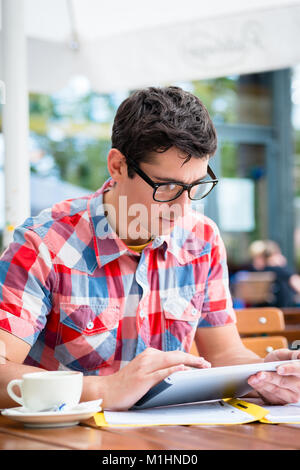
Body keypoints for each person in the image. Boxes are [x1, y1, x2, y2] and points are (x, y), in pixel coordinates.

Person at [0, 87, 300, 411]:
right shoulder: (43, 244)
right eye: (167, 186)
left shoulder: (203, 240)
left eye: (195, 186)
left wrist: (267, 374)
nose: (183, 207)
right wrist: (105, 389)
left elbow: (225, 354)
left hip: (173, 439)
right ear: (117, 166)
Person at [249, 240, 300, 307]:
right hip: (283, 311)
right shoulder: (282, 271)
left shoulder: (257, 272)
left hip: (263, 311)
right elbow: (297, 284)